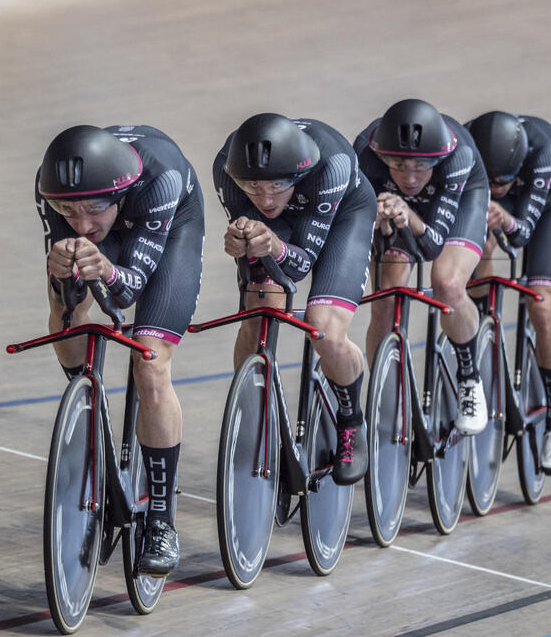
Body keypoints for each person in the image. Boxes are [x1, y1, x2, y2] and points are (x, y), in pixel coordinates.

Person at [35, 124, 205, 576]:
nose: (82, 224)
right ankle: (88, 408)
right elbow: (67, 303)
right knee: (65, 317)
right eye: (67, 211)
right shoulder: (51, 188)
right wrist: (61, 278)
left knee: (149, 361)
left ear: (118, 192)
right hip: (117, 232)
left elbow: (128, 294)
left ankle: (163, 520)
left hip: (167, 235)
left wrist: (107, 271)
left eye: (92, 209)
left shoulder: (161, 180)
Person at [213, 113, 376, 485]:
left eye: (277, 185)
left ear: (298, 174)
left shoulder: (331, 166)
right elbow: (258, 234)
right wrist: (243, 241)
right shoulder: (226, 167)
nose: (265, 197)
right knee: (259, 314)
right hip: (284, 227)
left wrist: (272, 245)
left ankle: (350, 420)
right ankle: (255, 417)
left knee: (323, 328)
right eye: (252, 186)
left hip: (341, 219)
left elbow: (299, 264)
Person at [353, 99, 491, 435]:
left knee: (446, 283)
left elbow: (432, 246)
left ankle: (470, 379)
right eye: (398, 165)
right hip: (395, 211)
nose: (409, 177)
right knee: (385, 301)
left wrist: (407, 214)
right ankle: (385, 396)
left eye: (419, 166)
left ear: (437, 160)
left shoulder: (457, 158)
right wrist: (375, 217)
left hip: (456, 206)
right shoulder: (365, 155)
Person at [466, 111, 551, 473]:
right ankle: (481, 331)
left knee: (541, 304)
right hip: (501, 205)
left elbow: (522, 233)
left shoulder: (543, 152)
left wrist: (507, 218)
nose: (498, 186)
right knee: (475, 245)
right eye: (491, 181)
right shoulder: (466, 145)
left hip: (546, 206)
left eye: (504, 181)